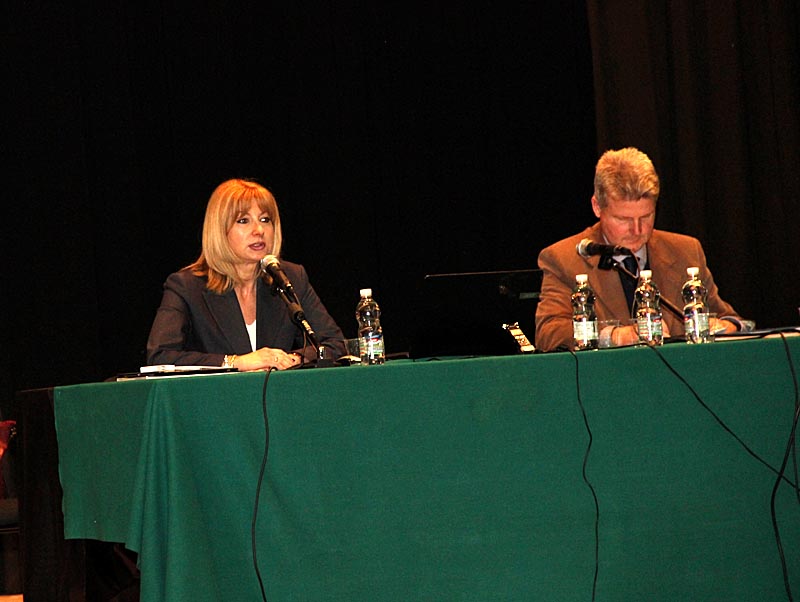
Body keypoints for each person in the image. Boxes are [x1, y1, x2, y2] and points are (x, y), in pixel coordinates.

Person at [535, 147, 746, 352]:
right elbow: (548, 333)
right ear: (597, 207)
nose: (637, 230)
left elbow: (729, 318)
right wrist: (614, 336)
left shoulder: (686, 250)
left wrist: (727, 326)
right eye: (623, 219)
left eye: (646, 217)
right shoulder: (563, 258)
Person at [147, 178, 345, 370]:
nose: (259, 230)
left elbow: (335, 344)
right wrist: (236, 362)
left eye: (265, 220)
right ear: (219, 230)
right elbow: (160, 356)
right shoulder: (187, 286)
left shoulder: (290, 277)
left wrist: (292, 359)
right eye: (243, 221)